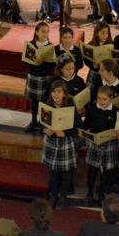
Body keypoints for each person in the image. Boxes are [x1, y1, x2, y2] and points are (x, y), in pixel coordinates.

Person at [40, 79, 77, 211]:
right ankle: (53, 195)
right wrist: (45, 130)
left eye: (59, 92)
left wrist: (64, 133)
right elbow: (41, 124)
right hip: (51, 142)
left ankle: (63, 196)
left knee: (66, 171)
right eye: (53, 92)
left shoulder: (70, 103)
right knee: (53, 171)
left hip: (65, 141)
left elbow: (77, 125)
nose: (56, 95)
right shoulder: (46, 104)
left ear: (64, 93)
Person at [83, 85, 119, 205]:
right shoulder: (92, 108)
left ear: (110, 99)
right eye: (99, 99)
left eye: (104, 99)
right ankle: (89, 193)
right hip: (95, 143)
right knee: (92, 170)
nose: (101, 102)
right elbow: (86, 124)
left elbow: (118, 128)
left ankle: (102, 193)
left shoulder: (115, 112)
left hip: (109, 144)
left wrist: (116, 133)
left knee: (107, 171)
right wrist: (85, 133)